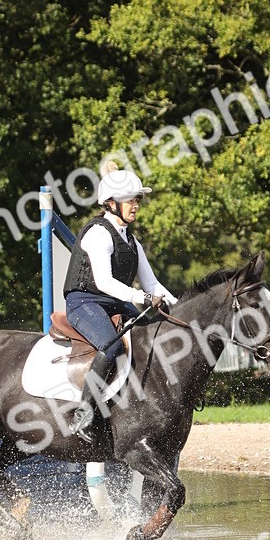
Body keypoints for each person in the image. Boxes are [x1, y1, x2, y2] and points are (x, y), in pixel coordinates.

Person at [63, 164, 177, 442]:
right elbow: (104, 283)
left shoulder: (132, 241)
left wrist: (180, 305)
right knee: (112, 345)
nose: (135, 205)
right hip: (84, 302)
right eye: (130, 199)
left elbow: (152, 284)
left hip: (113, 303)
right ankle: (84, 413)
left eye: (137, 199)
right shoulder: (98, 233)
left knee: (153, 337)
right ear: (111, 203)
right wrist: (144, 299)